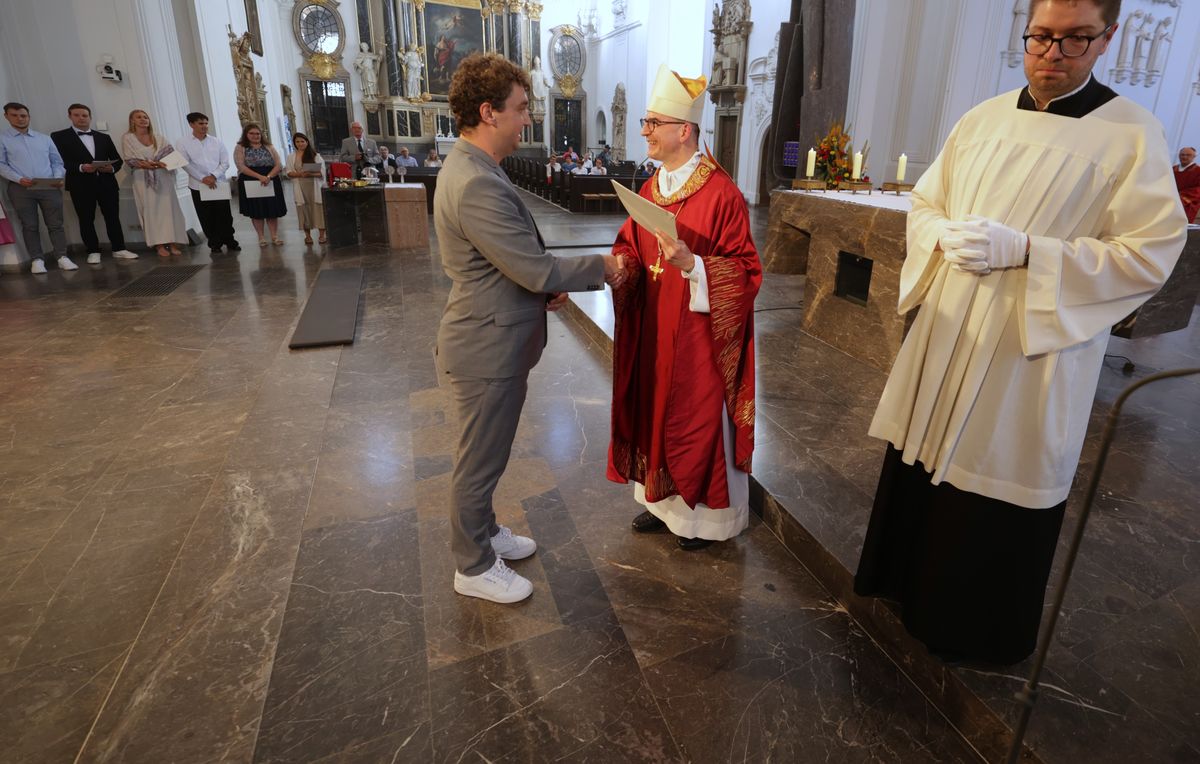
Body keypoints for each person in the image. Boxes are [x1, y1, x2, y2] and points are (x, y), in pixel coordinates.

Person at [854, 0, 1188, 666]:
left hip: (1029, 345)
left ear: (1107, 39)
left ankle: (970, 628)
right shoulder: (981, 119)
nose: (1052, 54)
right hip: (951, 330)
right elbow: (927, 201)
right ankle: (902, 587)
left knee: (996, 463)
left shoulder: (1132, 135)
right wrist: (940, 234)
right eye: (1041, 36)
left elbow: (1149, 251)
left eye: (1075, 39)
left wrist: (1032, 252)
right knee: (926, 455)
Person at [435, 53, 625, 604]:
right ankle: (473, 565)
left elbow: (505, 260)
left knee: (489, 453)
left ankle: (484, 530)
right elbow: (533, 266)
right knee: (478, 461)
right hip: (485, 346)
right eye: (521, 108)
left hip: (492, 334)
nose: (528, 118)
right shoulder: (475, 180)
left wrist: (541, 291)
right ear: (488, 112)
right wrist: (604, 266)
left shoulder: (477, 166)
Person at [607, 64, 761, 552]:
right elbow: (632, 247)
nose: (645, 131)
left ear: (684, 131)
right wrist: (621, 266)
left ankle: (702, 521)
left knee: (695, 420)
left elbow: (747, 273)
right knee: (654, 409)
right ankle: (660, 504)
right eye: (646, 122)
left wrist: (695, 265)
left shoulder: (722, 195)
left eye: (653, 123)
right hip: (655, 327)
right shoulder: (650, 189)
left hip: (699, 337)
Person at [51, 103, 137, 264]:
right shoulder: (59, 137)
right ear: (70, 116)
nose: (81, 118)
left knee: (113, 217)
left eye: (84, 115)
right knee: (85, 218)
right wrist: (81, 167)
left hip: (106, 183)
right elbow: (59, 161)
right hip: (80, 184)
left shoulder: (103, 137)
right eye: (77, 115)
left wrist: (111, 168)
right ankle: (92, 251)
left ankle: (119, 248)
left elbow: (117, 160)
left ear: (90, 117)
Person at [0, 102, 73, 273]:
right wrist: (18, 179)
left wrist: (57, 178)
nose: (20, 119)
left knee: (56, 224)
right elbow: (1, 164)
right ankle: (37, 259)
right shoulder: (3, 139)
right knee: (29, 225)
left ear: (28, 117)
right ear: (6, 116)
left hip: (48, 186)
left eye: (23, 115)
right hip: (20, 188)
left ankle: (62, 257)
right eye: (14, 115)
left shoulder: (44, 138)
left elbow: (57, 162)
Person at [121, 109, 187, 257]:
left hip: (163, 177)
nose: (143, 119)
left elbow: (171, 155)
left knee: (169, 210)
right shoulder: (128, 138)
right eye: (139, 117)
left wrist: (160, 163)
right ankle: (159, 245)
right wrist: (147, 164)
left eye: (145, 117)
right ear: (132, 121)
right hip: (143, 178)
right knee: (151, 211)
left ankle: (172, 242)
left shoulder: (159, 137)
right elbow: (130, 159)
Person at [178, 112, 239, 255]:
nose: (204, 126)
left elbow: (225, 162)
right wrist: (203, 178)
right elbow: (185, 163)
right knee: (206, 215)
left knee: (225, 215)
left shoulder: (216, 141)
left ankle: (230, 240)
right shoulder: (183, 142)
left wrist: (213, 176)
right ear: (191, 124)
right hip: (198, 185)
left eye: (206, 123)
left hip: (218, 183)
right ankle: (214, 243)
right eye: (200, 123)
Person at [234, 123, 286, 246]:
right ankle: (261, 237)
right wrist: (259, 177)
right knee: (256, 210)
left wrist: (268, 177)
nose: (255, 136)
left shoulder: (269, 146)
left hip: (270, 179)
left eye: (257, 133)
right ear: (246, 134)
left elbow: (279, 164)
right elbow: (241, 166)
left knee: (272, 210)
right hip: (251, 180)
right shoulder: (240, 147)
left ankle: (274, 236)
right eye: (251, 133)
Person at [285, 131, 326, 245]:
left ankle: (322, 235)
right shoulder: (291, 157)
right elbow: (288, 172)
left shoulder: (315, 156)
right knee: (304, 211)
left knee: (318, 210)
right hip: (300, 186)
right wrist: (299, 174)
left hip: (314, 186)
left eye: (302, 141)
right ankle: (308, 236)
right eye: (297, 142)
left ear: (307, 142)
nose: (300, 144)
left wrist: (310, 174)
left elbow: (322, 172)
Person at [1174, 146, 1198, 223]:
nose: (1184, 157)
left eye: (1188, 155)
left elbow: (1198, 189)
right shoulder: (1173, 169)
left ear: (1194, 157)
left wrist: (1180, 196)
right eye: (1182, 155)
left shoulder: (1198, 171)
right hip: (1172, 195)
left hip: (1189, 199)